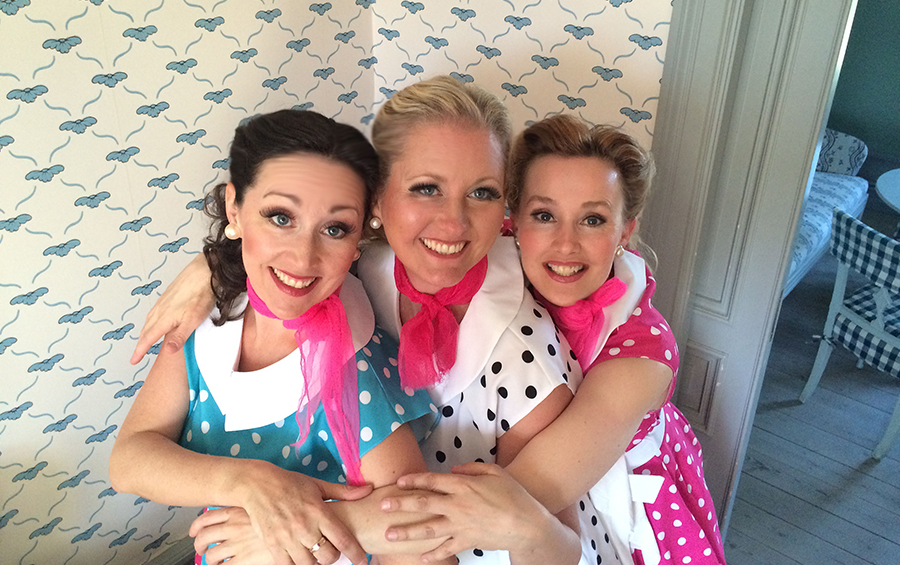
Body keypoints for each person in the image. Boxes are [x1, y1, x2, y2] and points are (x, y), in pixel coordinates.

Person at [131, 78, 603, 565]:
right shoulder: (360, 267)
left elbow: (553, 546)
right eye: (426, 188)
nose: (453, 223)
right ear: (377, 202)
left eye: (482, 192)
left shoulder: (526, 358)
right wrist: (212, 267)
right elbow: (298, 237)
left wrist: (314, 522)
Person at [379, 115, 726, 564]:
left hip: (615, 505)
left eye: (593, 220)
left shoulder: (642, 357)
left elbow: (525, 494)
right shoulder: (497, 248)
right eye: (544, 216)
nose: (565, 244)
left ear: (625, 230)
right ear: (514, 221)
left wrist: (369, 523)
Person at [109, 109, 450, 565]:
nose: (303, 257)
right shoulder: (206, 321)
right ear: (234, 208)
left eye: (334, 229)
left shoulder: (353, 366)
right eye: (280, 217)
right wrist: (251, 483)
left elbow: (423, 547)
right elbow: (130, 457)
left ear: (357, 240)